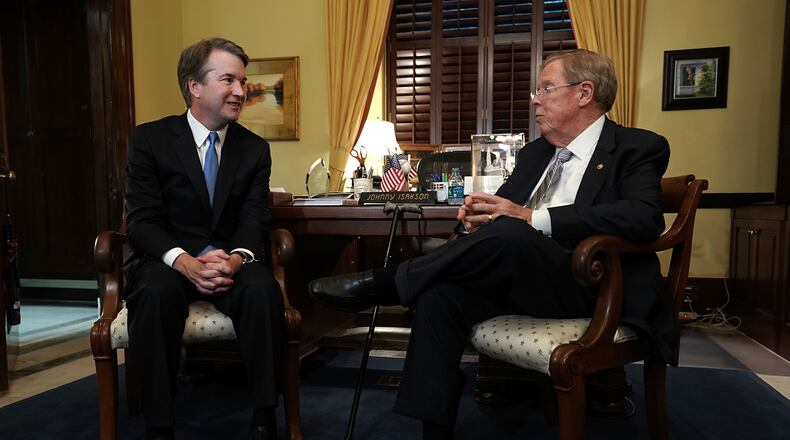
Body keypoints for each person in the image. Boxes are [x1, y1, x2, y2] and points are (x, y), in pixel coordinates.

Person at [309, 49, 673, 439]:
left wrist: (533, 218)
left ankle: (387, 284)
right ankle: (434, 431)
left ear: (584, 93)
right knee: (440, 295)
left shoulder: (636, 147)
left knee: (515, 231)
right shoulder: (536, 154)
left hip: (593, 287)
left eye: (546, 88)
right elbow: (502, 211)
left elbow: (643, 218)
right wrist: (476, 219)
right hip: (519, 277)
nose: (535, 98)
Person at [124, 37, 283, 440]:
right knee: (155, 294)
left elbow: (253, 219)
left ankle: (265, 417)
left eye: (243, 81)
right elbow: (141, 222)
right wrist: (185, 262)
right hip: (170, 261)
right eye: (228, 79)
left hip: (229, 258)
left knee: (263, 289)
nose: (240, 91)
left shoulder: (254, 149)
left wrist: (234, 260)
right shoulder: (150, 140)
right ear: (194, 86)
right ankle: (159, 425)